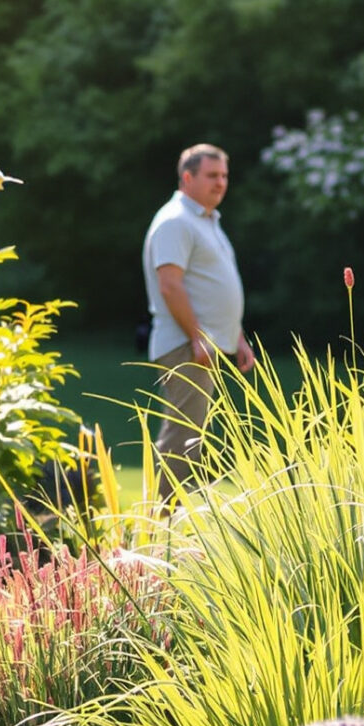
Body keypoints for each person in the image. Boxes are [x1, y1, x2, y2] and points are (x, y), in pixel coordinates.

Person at [142, 143, 248, 491]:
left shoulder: (205, 220)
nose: (220, 183)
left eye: (224, 176)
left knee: (191, 433)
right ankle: (162, 528)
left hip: (201, 343)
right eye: (212, 175)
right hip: (186, 345)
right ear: (187, 177)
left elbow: (208, 286)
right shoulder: (176, 221)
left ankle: (172, 523)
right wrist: (198, 336)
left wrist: (237, 336)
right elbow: (170, 286)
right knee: (182, 435)